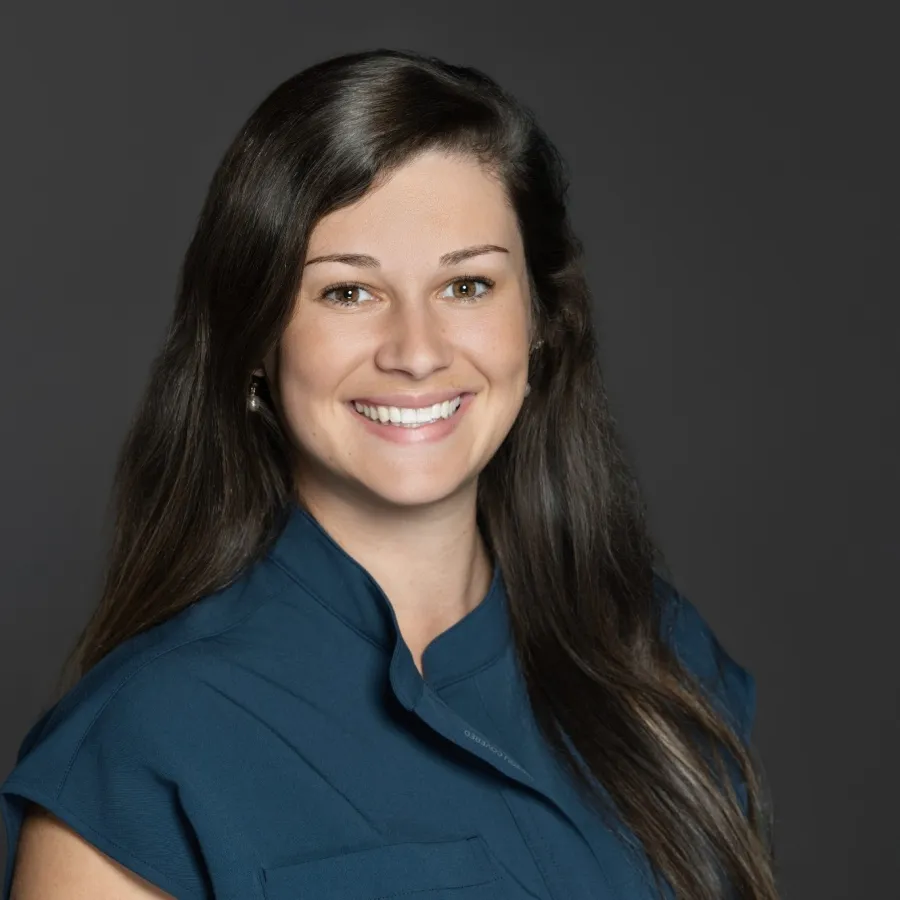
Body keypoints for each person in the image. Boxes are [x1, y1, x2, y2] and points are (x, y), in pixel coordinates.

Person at [0, 48, 777, 899]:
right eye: (347, 293)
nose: (416, 352)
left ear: (543, 322)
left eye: (468, 285)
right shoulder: (139, 750)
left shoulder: (657, 659)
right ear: (257, 339)